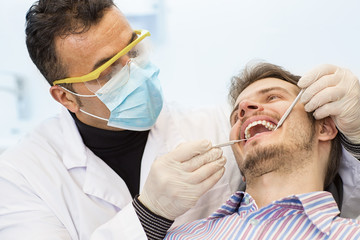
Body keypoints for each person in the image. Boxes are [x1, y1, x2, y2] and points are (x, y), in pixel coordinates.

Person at [0, 0, 359, 238]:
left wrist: (356, 132)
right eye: (109, 70)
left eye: (134, 48)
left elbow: (328, 171)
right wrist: (149, 214)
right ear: (65, 96)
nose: (135, 70)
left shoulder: (216, 126)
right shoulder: (21, 177)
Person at [164, 62, 360, 239]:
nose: (243, 107)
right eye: (235, 117)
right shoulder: (179, 236)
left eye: (272, 96)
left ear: (323, 128)